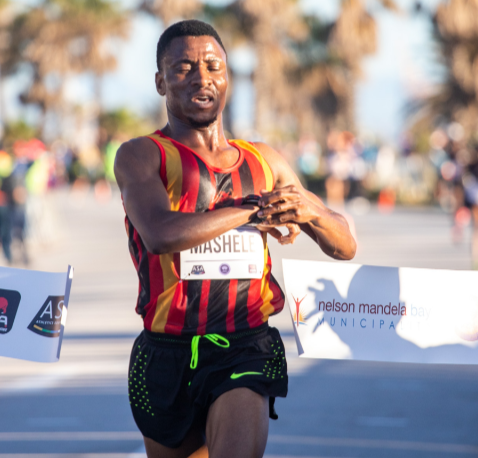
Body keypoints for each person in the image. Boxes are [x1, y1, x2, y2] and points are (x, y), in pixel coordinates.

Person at [114, 20, 356, 458]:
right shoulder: (141, 155)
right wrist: (252, 209)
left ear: (226, 77)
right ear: (159, 82)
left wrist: (312, 212)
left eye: (212, 66)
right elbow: (159, 234)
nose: (201, 78)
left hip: (245, 345)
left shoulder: (265, 160)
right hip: (164, 351)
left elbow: (345, 245)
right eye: (183, 68)